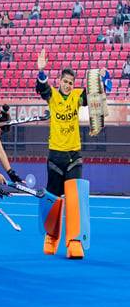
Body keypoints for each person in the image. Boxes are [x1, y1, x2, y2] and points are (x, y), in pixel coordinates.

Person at [35, 49, 108, 260]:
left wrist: (99, 79)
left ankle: (74, 241)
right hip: (55, 155)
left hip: (74, 155)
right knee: (53, 199)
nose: (68, 85)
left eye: (71, 82)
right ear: (59, 81)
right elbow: (42, 87)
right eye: (65, 81)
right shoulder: (53, 96)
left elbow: (93, 96)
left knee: (75, 198)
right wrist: (41, 70)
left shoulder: (77, 97)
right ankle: (51, 238)